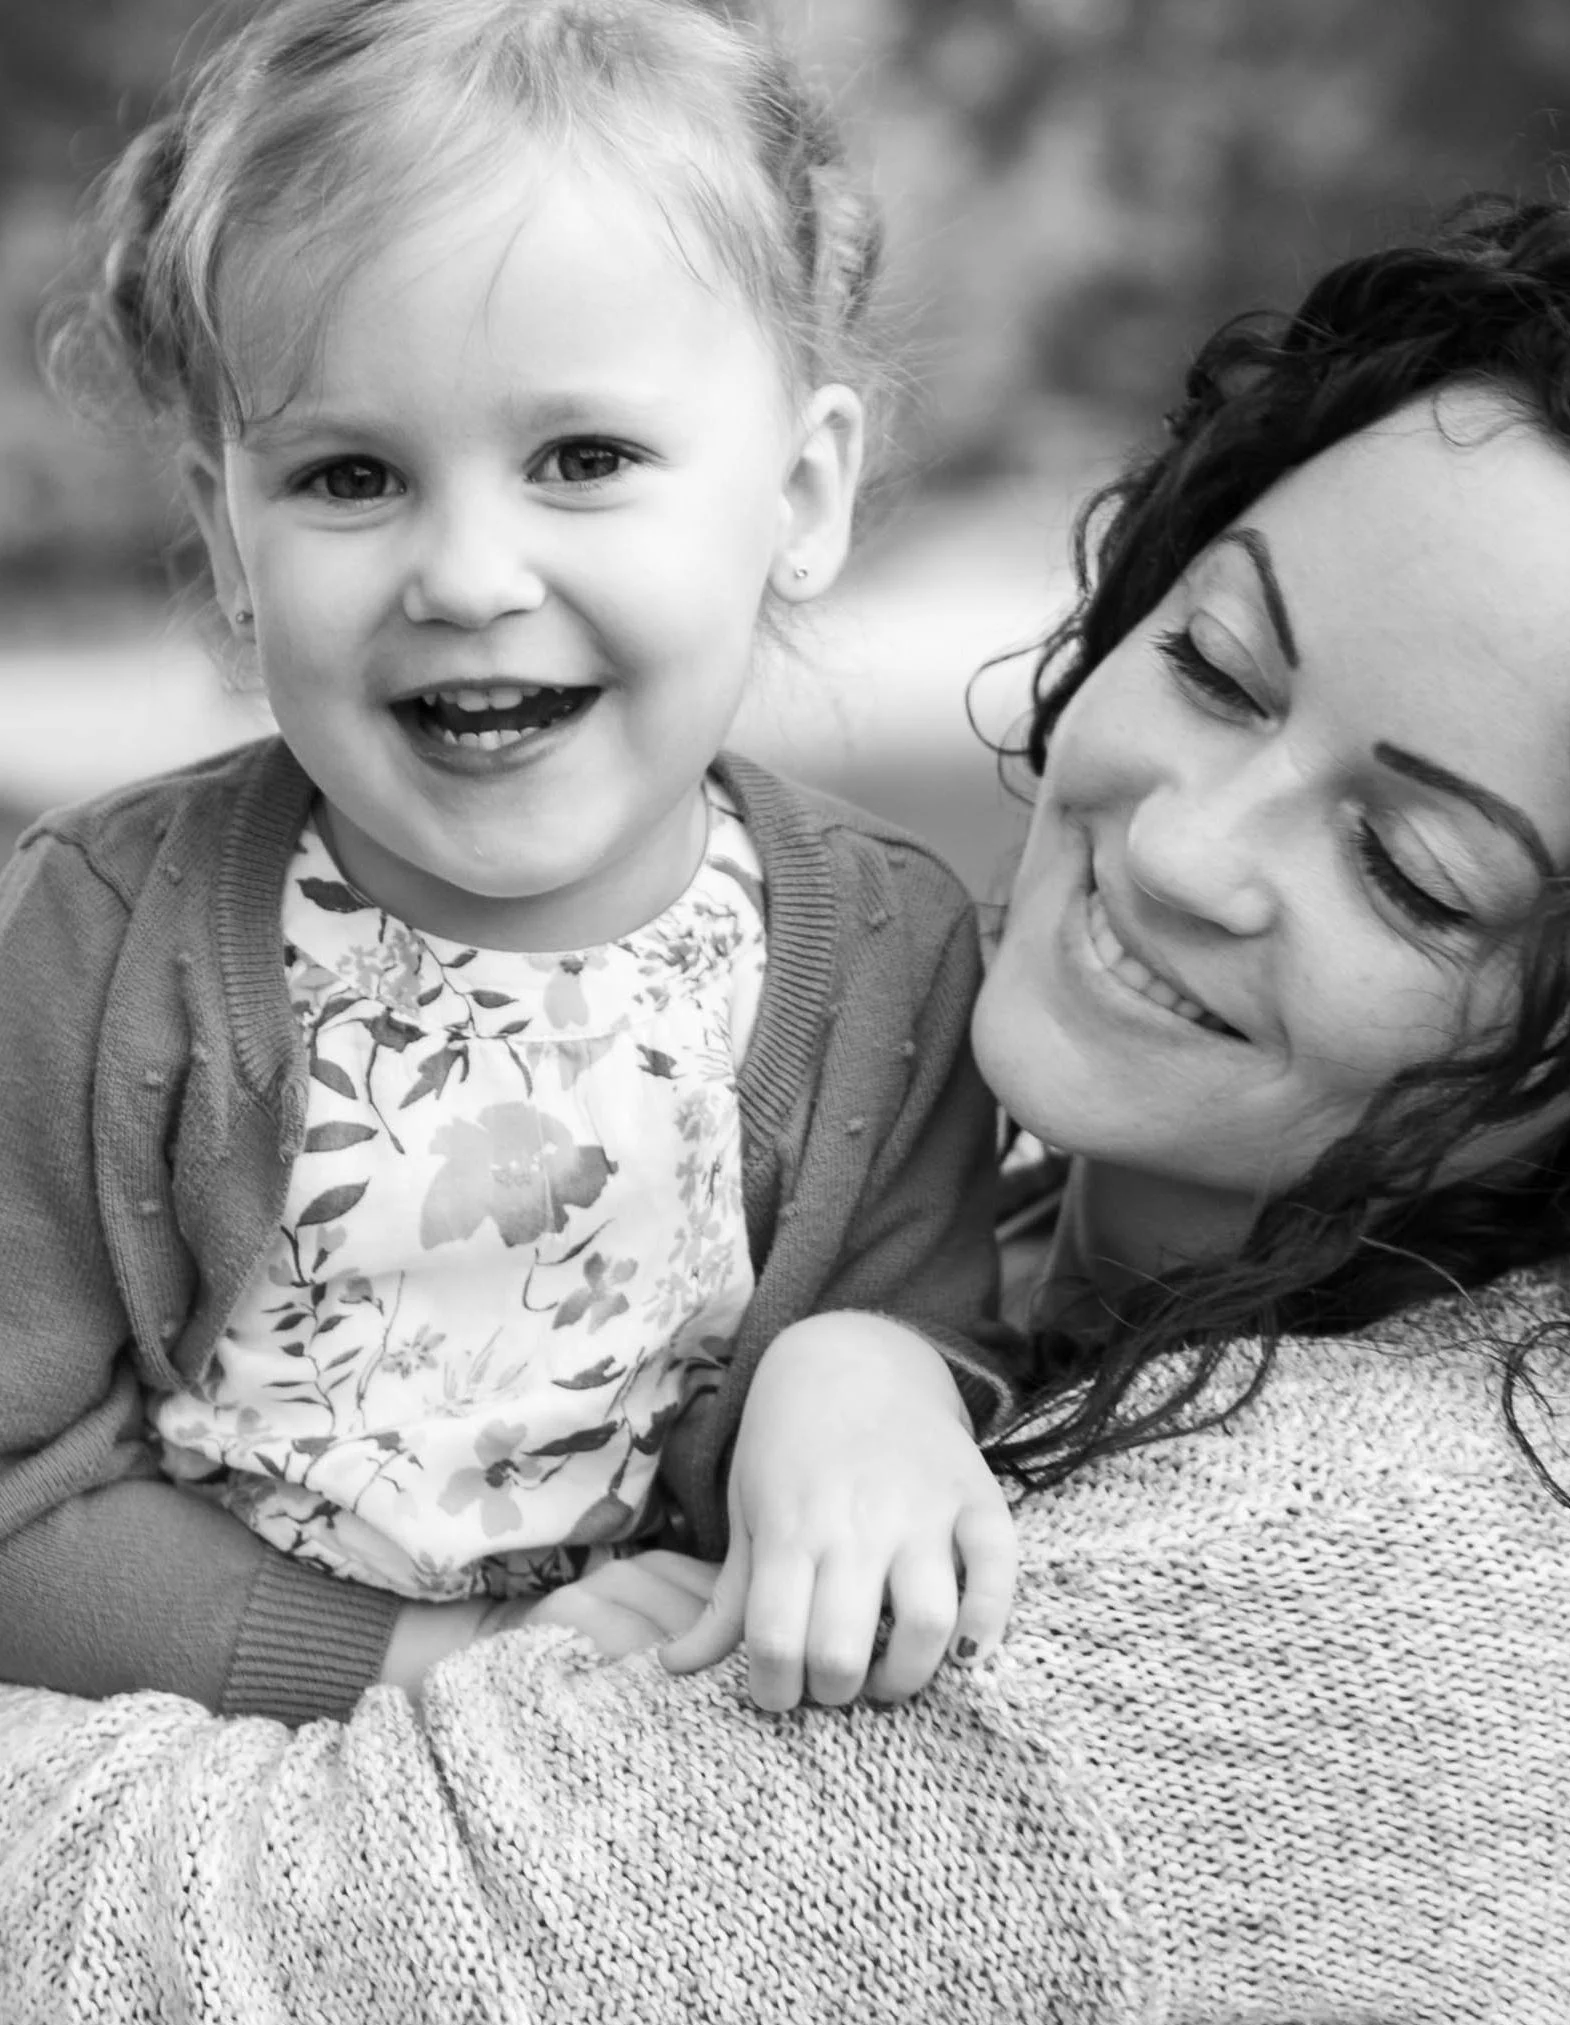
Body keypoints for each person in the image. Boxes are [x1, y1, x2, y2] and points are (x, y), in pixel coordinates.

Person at [4, 181, 1570, 2025]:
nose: (1185, 843)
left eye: (1413, 868)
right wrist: (864, 1353)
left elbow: (192, 1958)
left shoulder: (1377, 1584)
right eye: (1214, 667)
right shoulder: (979, 1220)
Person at [0, 0, 1021, 1729]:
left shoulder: (882, 961)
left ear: (801, 493)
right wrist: (443, 1669)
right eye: (349, 474)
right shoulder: (107, 947)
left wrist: (874, 1378)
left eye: (584, 458)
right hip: (207, 1791)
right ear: (229, 540)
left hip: (648, 1819)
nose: (468, 572)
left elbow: (938, 1361)